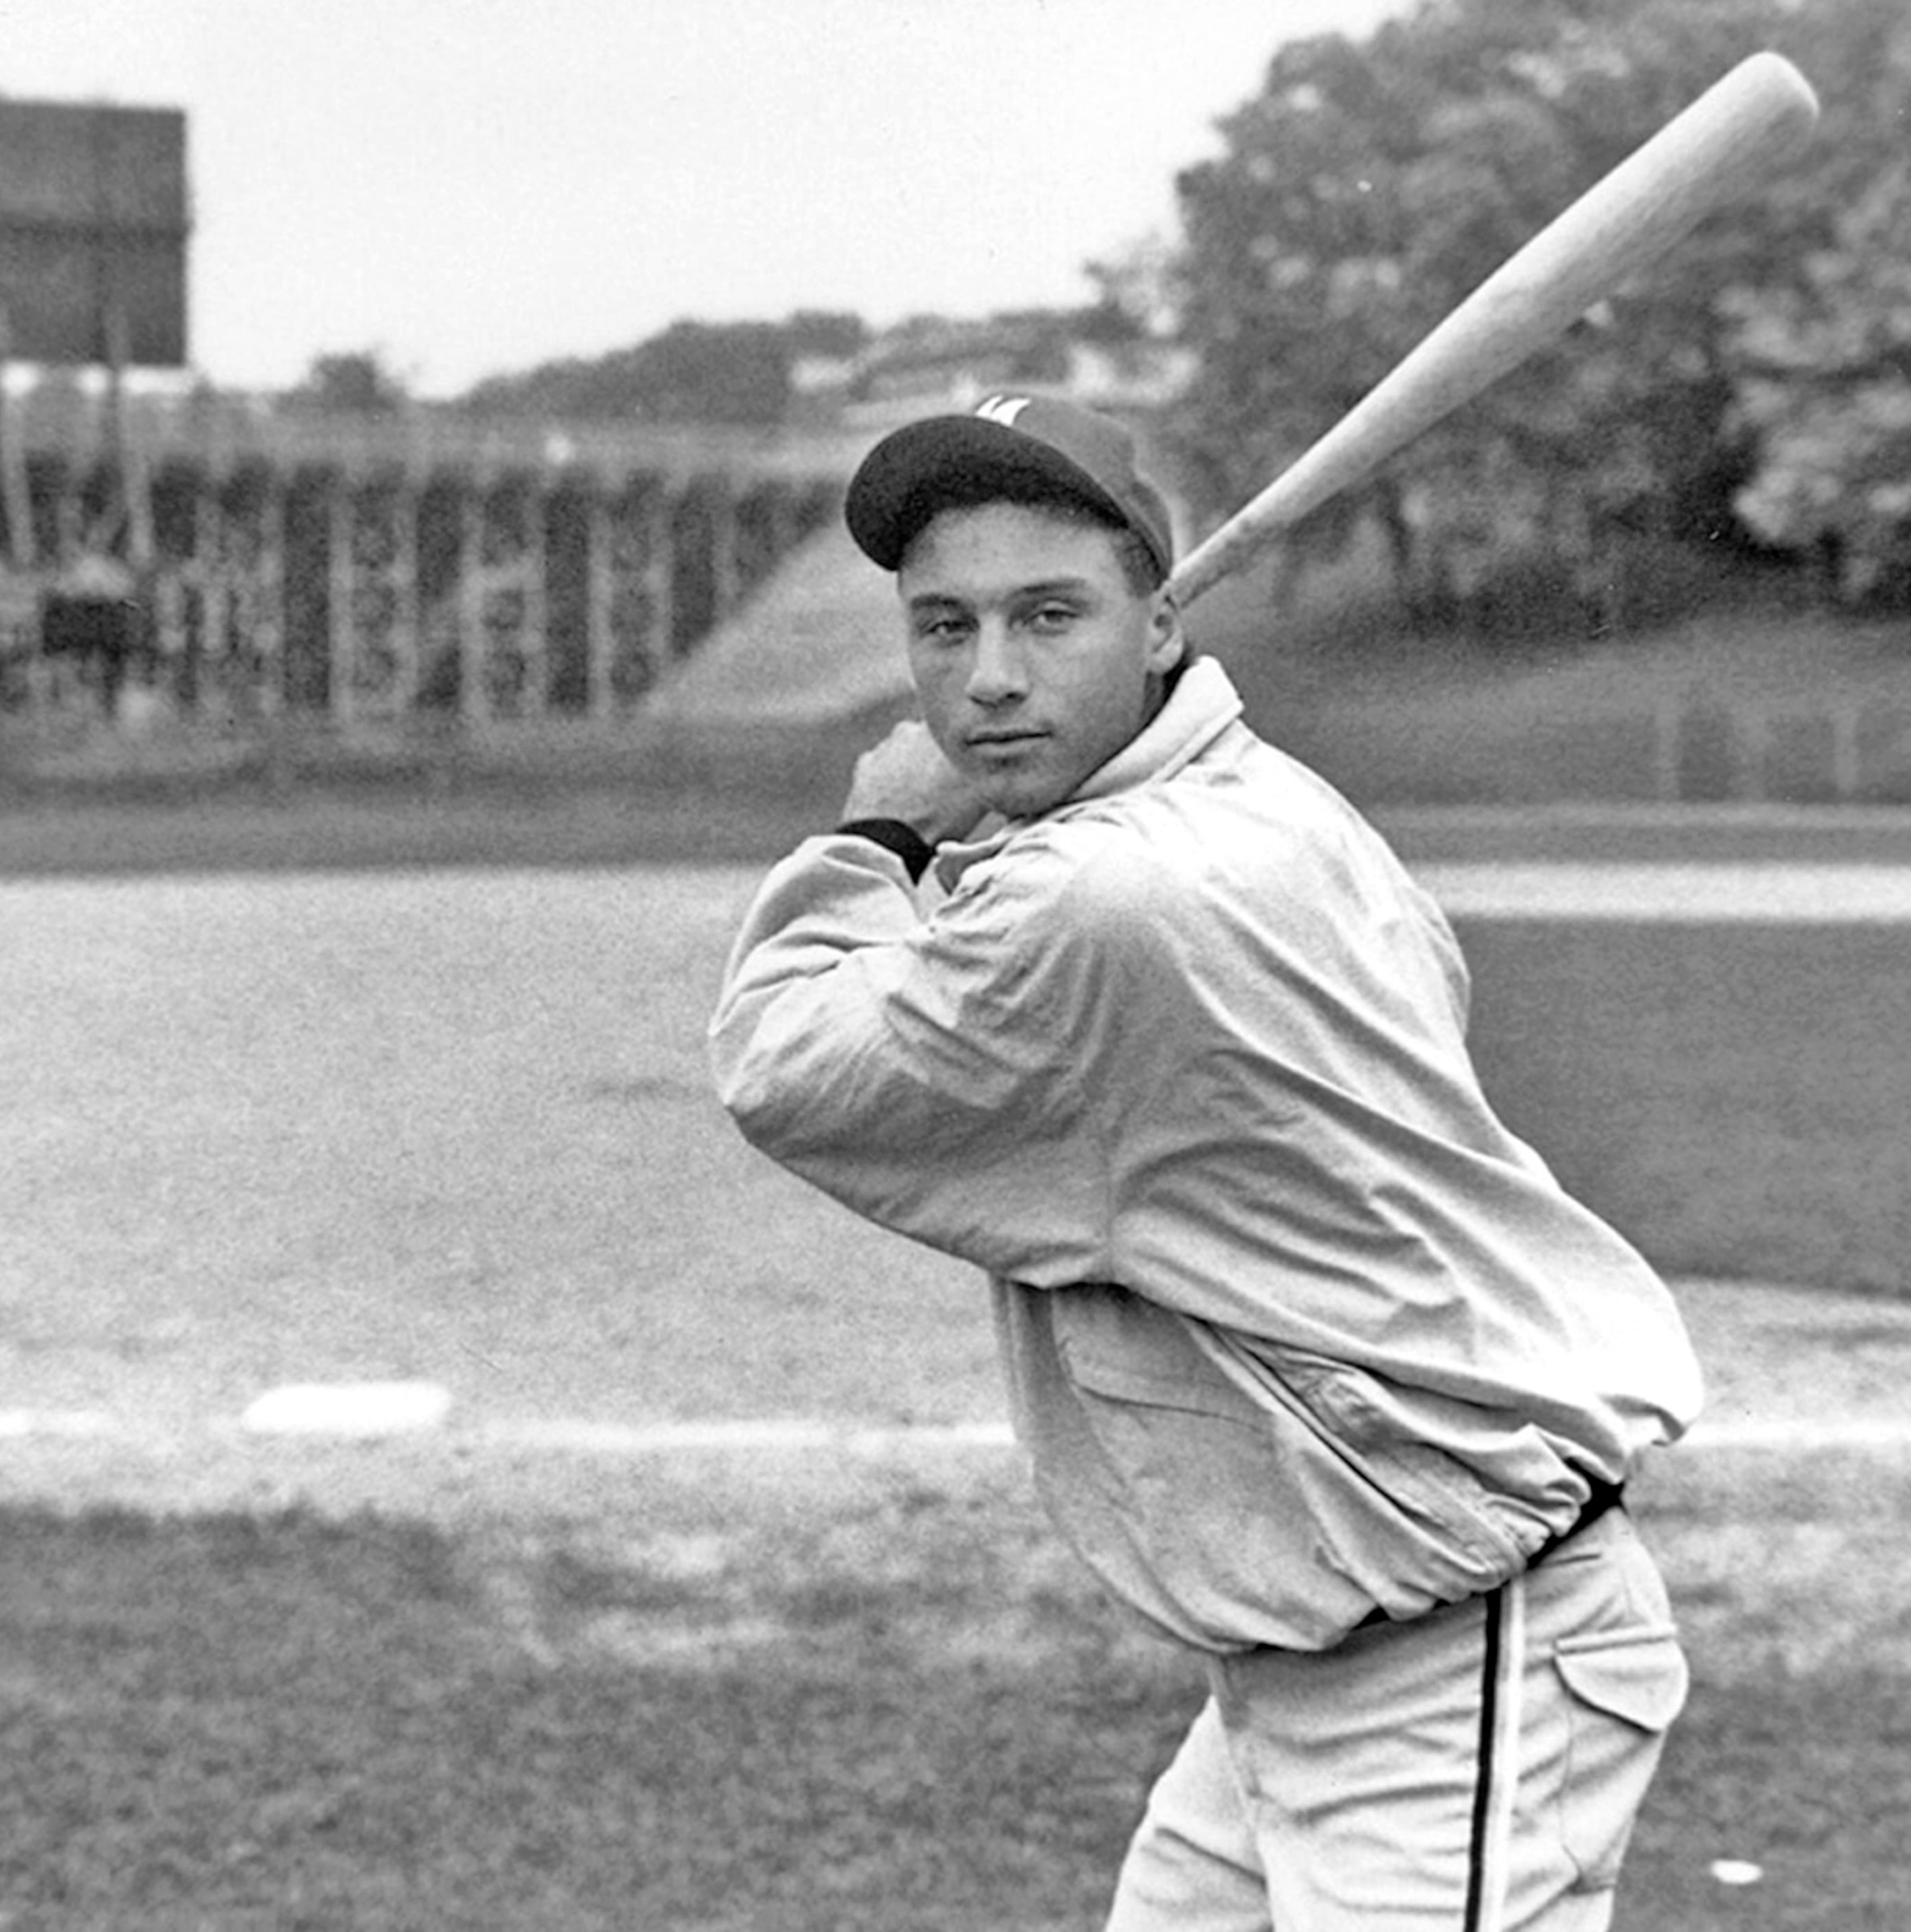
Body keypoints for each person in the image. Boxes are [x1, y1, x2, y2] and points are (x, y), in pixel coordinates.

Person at [708, 392, 1704, 1932]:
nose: (990, 680)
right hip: (1323, 1650)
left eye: (1052, 617)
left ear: (1159, 624)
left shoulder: (1108, 896)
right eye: (945, 626)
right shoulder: (1272, 803)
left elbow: (787, 1065)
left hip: (1446, 1668)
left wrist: (881, 841)